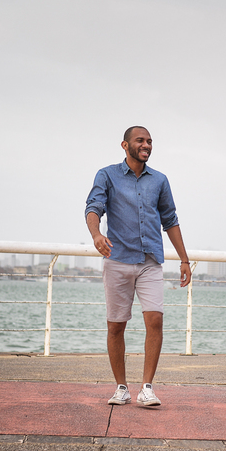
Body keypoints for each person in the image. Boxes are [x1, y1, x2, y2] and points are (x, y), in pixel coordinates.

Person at [85, 125, 192, 407]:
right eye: (140, 141)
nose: (146, 145)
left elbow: (170, 220)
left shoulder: (159, 180)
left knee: (155, 319)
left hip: (150, 262)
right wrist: (96, 235)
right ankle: (121, 387)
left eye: (149, 141)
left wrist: (184, 259)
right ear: (125, 145)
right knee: (116, 326)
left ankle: (147, 388)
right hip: (117, 259)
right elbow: (93, 207)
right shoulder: (106, 175)